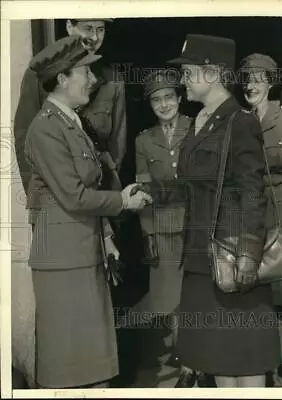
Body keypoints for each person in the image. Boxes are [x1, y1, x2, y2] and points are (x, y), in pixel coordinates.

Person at [137, 34, 281, 388]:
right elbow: (193, 186)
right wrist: (147, 192)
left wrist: (244, 263)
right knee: (216, 364)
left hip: (232, 265)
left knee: (245, 366)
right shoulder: (201, 120)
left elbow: (252, 195)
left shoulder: (239, 121)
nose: (183, 78)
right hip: (201, 263)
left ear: (212, 73)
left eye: (187, 71)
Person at [23, 35, 152, 389]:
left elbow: (89, 188)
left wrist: (108, 231)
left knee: (95, 372)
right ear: (62, 79)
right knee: (72, 373)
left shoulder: (71, 123)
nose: (94, 80)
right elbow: (75, 196)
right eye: (85, 72)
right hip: (64, 263)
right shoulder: (46, 128)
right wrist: (122, 202)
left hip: (83, 252)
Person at [14, 18, 126, 204]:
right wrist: (38, 198)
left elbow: (117, 146)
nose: (94, 37)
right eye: (88, 28)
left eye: (101, 29)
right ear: (69, 26)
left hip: (100, 198)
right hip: (55, 199)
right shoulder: (41, 76)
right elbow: (24, 140)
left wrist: (105, 194)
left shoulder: (113, 80)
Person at [135, 69, 191, 368]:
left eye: (169, 97)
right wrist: (148, 234)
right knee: (171, 298)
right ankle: (184, 359)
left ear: (180, 98)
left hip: (196, 225)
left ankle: (200, 358)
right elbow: (143, 191)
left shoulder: (197, 129)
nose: (164, 104)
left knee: (198, 294)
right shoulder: (143, 141)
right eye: (157, 100)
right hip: (164, 227)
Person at [239, 54, 282, 386]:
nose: (251, 85)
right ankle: (263, 363)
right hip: (250, 211)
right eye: (247, 79)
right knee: (256, 289)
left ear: (270, 82)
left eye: (258, 78)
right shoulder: (238, 120)